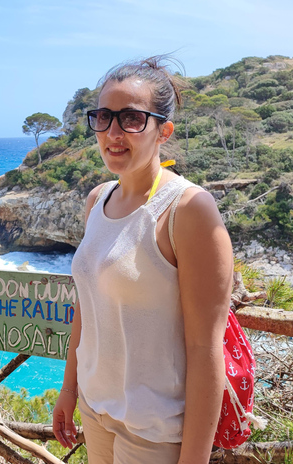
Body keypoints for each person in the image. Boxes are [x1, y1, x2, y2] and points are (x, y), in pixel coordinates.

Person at [51, 56, 234, 464]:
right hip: (96, 412)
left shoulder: (188, 209)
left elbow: (206, 349)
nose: (113, 132)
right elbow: (88, 305)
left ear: (162, 130)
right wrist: (69, 390)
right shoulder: (98, 200)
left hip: (155, 432)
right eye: (103, 116)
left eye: (132, 118)